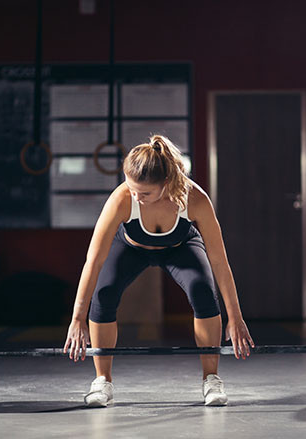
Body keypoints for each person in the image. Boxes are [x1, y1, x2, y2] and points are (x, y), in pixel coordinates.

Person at [63, 134, 254, 407]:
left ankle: (211, 379)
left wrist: (235, 318)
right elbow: (93, 261)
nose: (136, 197)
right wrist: (77, 318)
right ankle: (102, 381)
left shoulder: (195, 198)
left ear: (166, 183)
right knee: (103, 294)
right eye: (132, 189)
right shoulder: (121, 199)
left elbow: (220, 262)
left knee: (202, 290)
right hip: (131, 248)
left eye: (145, 193)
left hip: (181, 247)